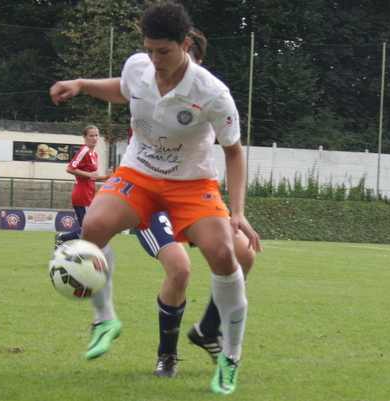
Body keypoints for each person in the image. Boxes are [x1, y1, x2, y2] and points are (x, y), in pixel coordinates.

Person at [50, 2, 261, 395]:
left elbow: (234, 151)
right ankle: (105, 319)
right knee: (92, 226)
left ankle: (230, 356)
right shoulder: (139, 67)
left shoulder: (212, 93)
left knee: (225, 255)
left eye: (163, 51)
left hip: (192, 184)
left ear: (184, 45)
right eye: (149, 50)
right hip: (139, 175)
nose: (154, 59)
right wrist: (81, 84)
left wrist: (239, 211)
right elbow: (122, 88)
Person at [131, 27, 258, 378]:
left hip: (192, 195)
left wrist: (237, 211)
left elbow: (233, 150)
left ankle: (207, 329)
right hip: (151, 193)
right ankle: (167, 355)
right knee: (180, 269)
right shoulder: (147, 85)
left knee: (244, 252)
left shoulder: (204, 93)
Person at [54, 125, 113, 249]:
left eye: (96, 135)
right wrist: (89, 174)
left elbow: (92, 177)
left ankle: (62, 239)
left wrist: (106, 177)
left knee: (89, 229)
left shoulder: (94, 154)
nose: (95, 138)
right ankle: (80, 253)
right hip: (82, 195)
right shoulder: (84, 151)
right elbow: (70, 168)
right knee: (90, 230)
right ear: (85, 137)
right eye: (91, 135)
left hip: (90, 194)